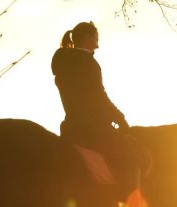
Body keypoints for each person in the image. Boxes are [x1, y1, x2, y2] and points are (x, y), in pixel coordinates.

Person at [51, 21, 130, 150]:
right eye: (96, 39)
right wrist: (119, 118)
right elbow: (99, 96)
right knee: (134, 157)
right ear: (86, 38)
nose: (97, 46)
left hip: (71, 125)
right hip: (92, 127)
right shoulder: (88, 64)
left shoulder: (64, 63)